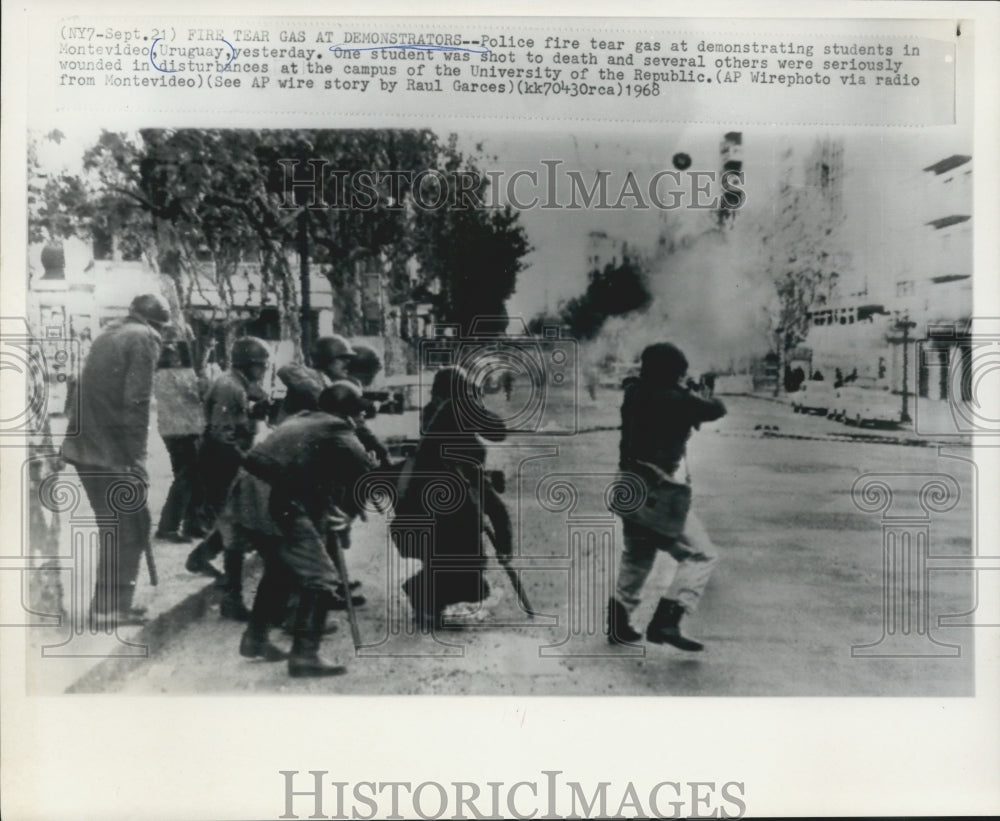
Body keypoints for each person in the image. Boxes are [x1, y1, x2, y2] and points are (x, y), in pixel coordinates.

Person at [241, 382, 374, 677]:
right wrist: (349, 515)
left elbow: (310, 471)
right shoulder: (338, 429)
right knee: (321, 577)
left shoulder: (303, 418)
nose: (362, 419)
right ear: (348, 413)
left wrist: (332, 509)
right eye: (359, 413)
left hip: (246, 493)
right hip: (274, 498)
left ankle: (256, 639)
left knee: (280, 569)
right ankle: (305, 656)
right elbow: (364, 473)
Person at [607, 342, 727, 651]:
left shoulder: (634, 392)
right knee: (701, 554)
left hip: (628, 487)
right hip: (656, 493)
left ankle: (619, 623)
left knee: (638, 555)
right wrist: (697, 389)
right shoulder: (677, 399)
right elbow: (716, 409)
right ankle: (667, 620)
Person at [60, 293, 171, 625]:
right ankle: (110, 608)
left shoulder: (111, 331)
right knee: (131, 527)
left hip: (86, 448)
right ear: (157, 325)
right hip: (110, 452)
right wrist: (135, 457)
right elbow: (136, 401)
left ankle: (108, 604)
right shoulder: (144, 338)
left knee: (118, 526)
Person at [393, 366, 507, 628]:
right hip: (447, 497)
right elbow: (497, 430)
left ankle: (429, 605)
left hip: (429, 497)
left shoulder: (435, 411)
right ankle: (426, 603)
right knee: (465, 562)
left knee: (454, 559)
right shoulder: (454, 409)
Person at [184, 337, 271, 614]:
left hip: (230, 459)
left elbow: (253, 402)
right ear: (249, 364)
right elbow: (222, 433)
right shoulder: (228, 386)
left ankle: (200, 557)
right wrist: (248, 461)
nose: (264, 370)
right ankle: (231, 598)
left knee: (233, 519)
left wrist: (259, 405)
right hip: (220, 461)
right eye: (261, 365)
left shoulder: (239, 383)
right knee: (236, 526)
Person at [153, 341, 207, 542]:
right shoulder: (173, 375)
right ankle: (170, 526)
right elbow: (196, 394)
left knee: (189, 478)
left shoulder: (162, 374)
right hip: (183, 430)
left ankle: (190, 524)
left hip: (177, 430)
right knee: (187, 478)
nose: (174, 358)